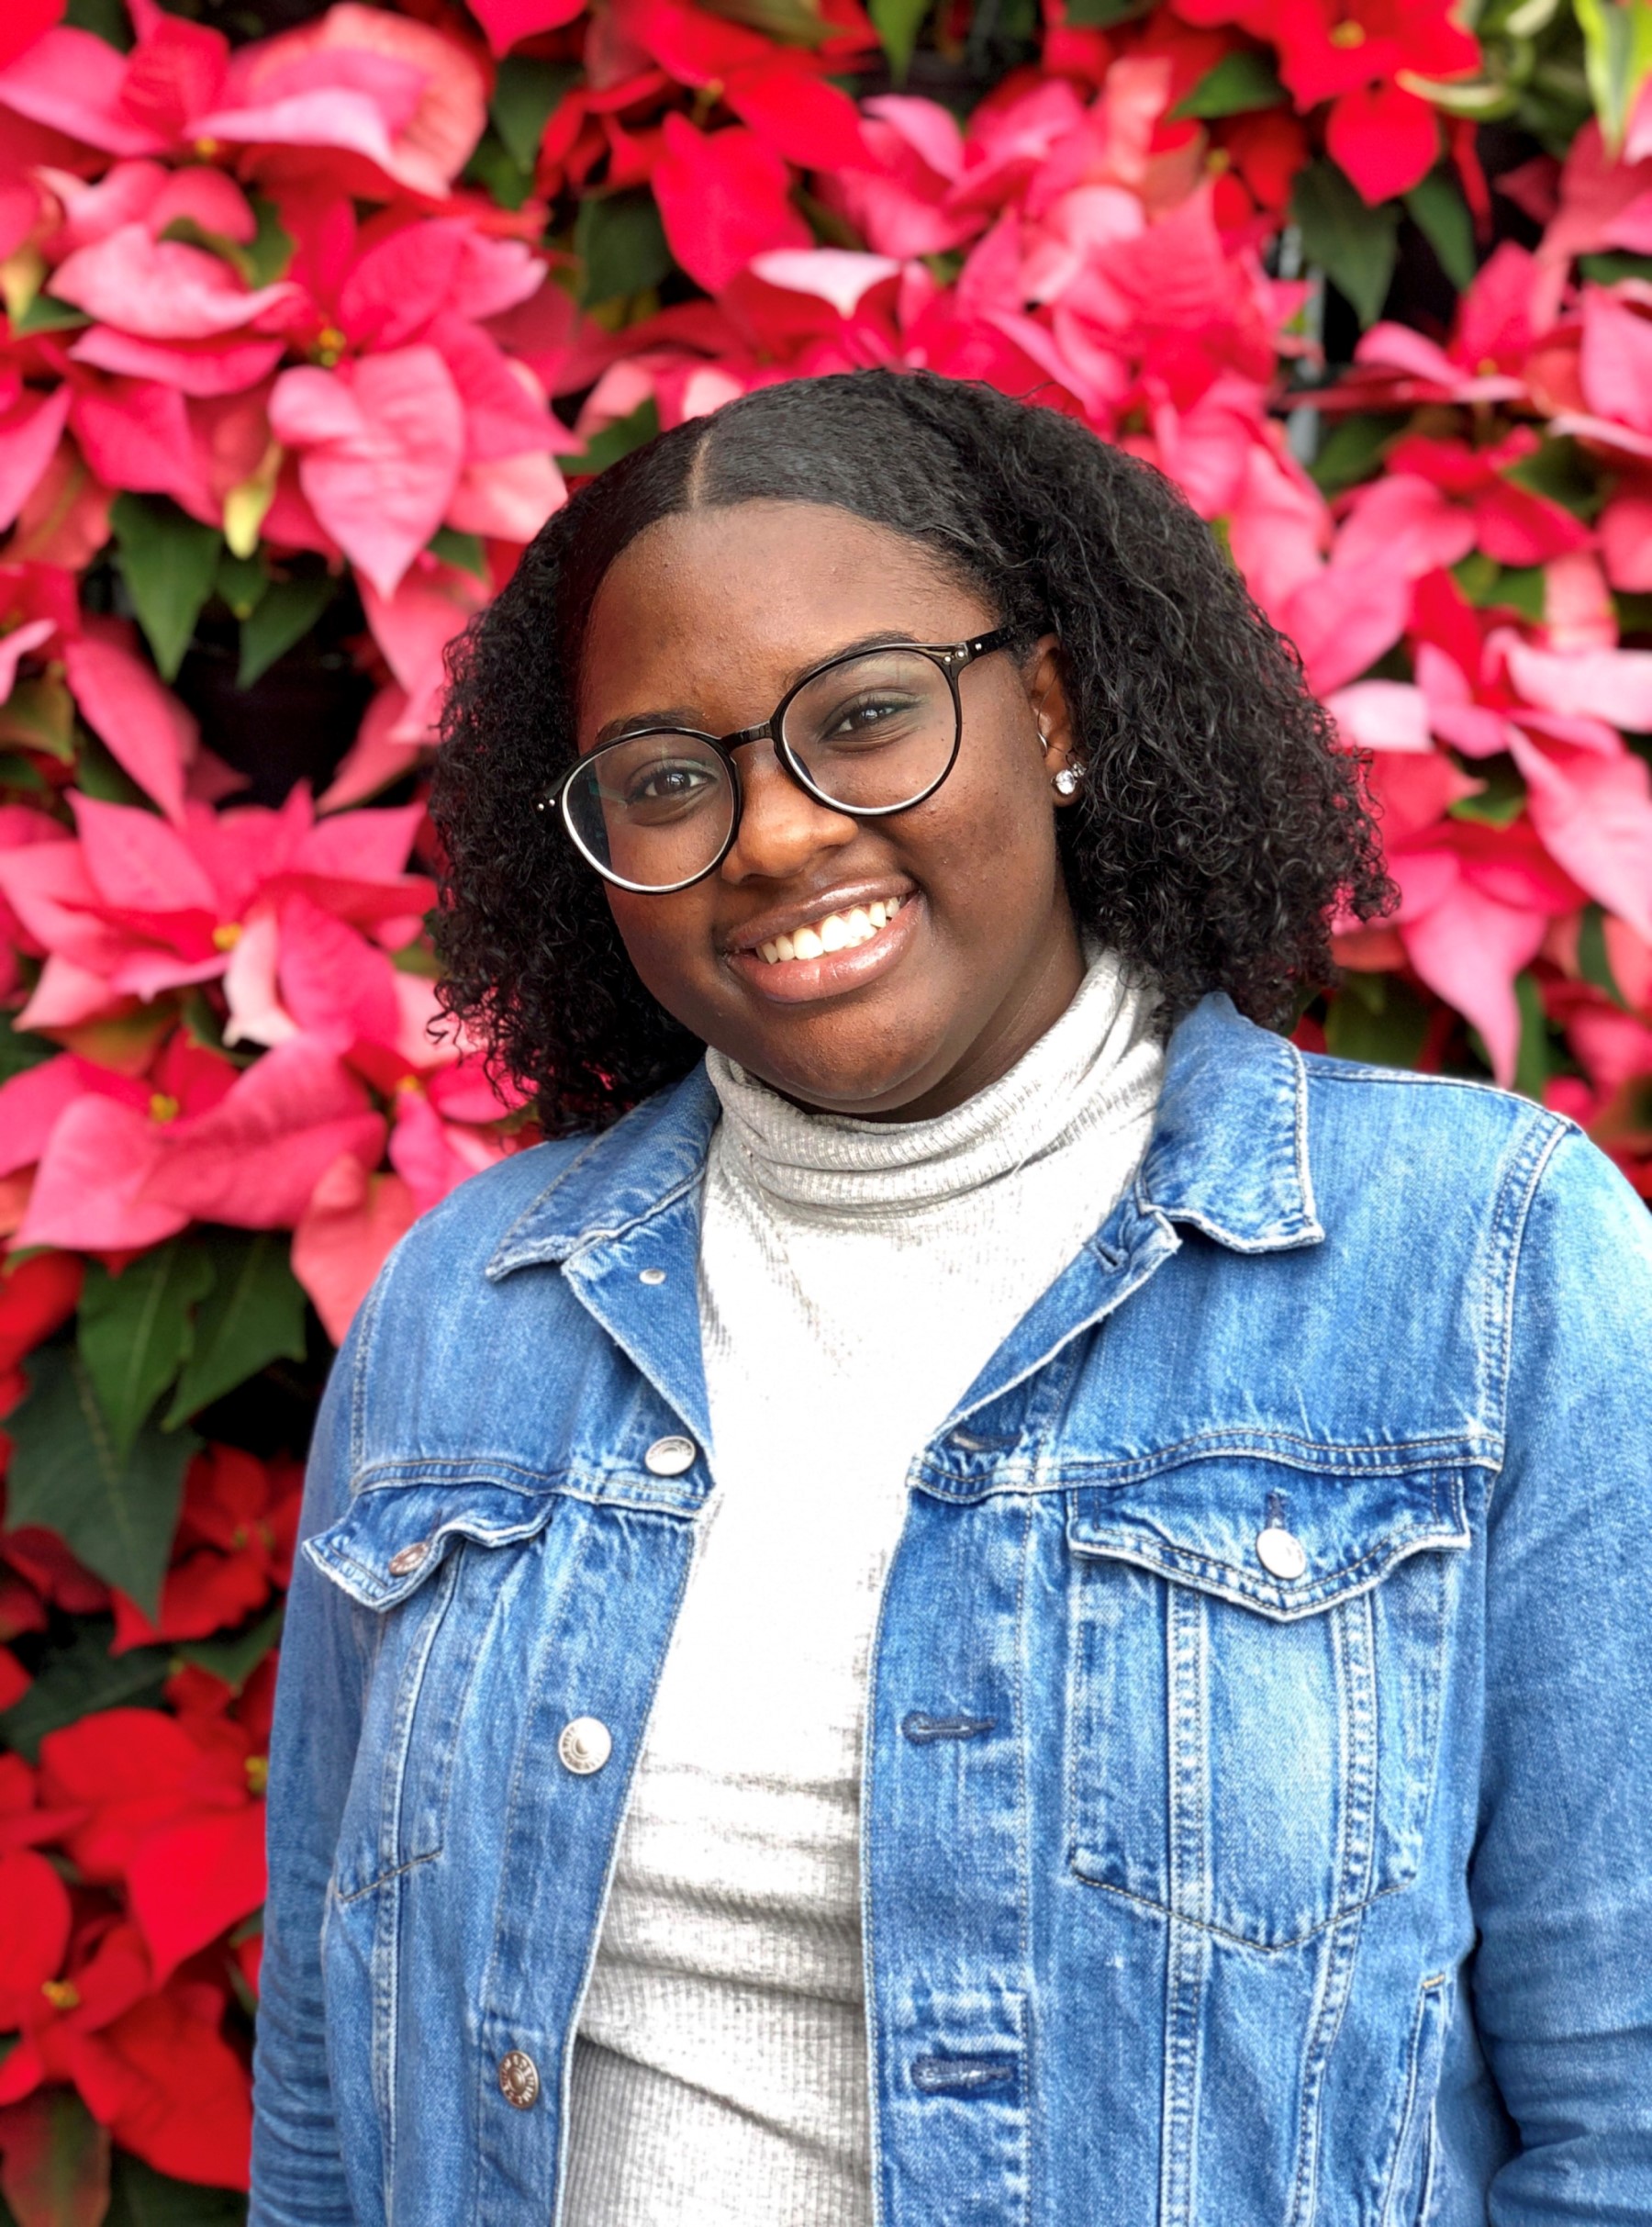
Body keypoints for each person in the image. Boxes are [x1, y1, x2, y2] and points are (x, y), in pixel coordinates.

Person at [251, 369, 1652, 2227]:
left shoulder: (1477, 1265)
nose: (772, 835)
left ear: (1052, 709)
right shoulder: (472, 1312)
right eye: (671, 779)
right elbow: (330, 2112)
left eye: (867, 718)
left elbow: (1625, 2114)